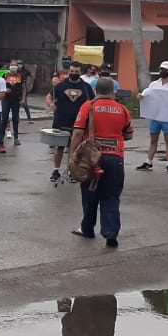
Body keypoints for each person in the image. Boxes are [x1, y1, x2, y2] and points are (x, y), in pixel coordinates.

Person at [69, 77, 134, 247]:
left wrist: (72, 158)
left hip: (91, 159)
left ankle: (87, 229)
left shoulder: (88, 106)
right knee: (111, 197)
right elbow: (129, 134)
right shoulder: (122, 109)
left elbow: (77, 133)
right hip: (116, 158)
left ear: (96, 91)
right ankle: (110, 233)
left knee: (89, 195)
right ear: (113, 91)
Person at [46, 61, 95, 182]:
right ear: (69, 72)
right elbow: (49, 96)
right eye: (72, 71)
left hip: (79, 123)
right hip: (61, 121)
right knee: (60, 147)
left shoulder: (86, 87)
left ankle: (73, 171)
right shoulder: (60, 86)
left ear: (81, 72)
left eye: (76, 72)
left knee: (76, 149)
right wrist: (51, 104)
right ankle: (56, 170)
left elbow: (93, 102)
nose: (74, 73)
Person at [135, 61, 168, 175]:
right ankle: (148, 162)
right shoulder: (154, 84)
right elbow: (144, 94)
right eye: (161, 69)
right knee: (153, 140)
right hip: (155, 117)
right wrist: (140, 96)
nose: (163, 72)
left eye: (165, 70)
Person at [3, 62, 26, 146]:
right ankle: (1, 136)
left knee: (15, 119)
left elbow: (23, 88)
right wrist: (5, 90)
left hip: (16, 100)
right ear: (9, 66)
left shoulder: (20, 76)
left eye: (15, 65)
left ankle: (16, 137)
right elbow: (1, 86)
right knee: (4, 118)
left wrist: (23, 98)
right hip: (6, 100)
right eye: (12, 65)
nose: (13, 67)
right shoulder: (5, 75)